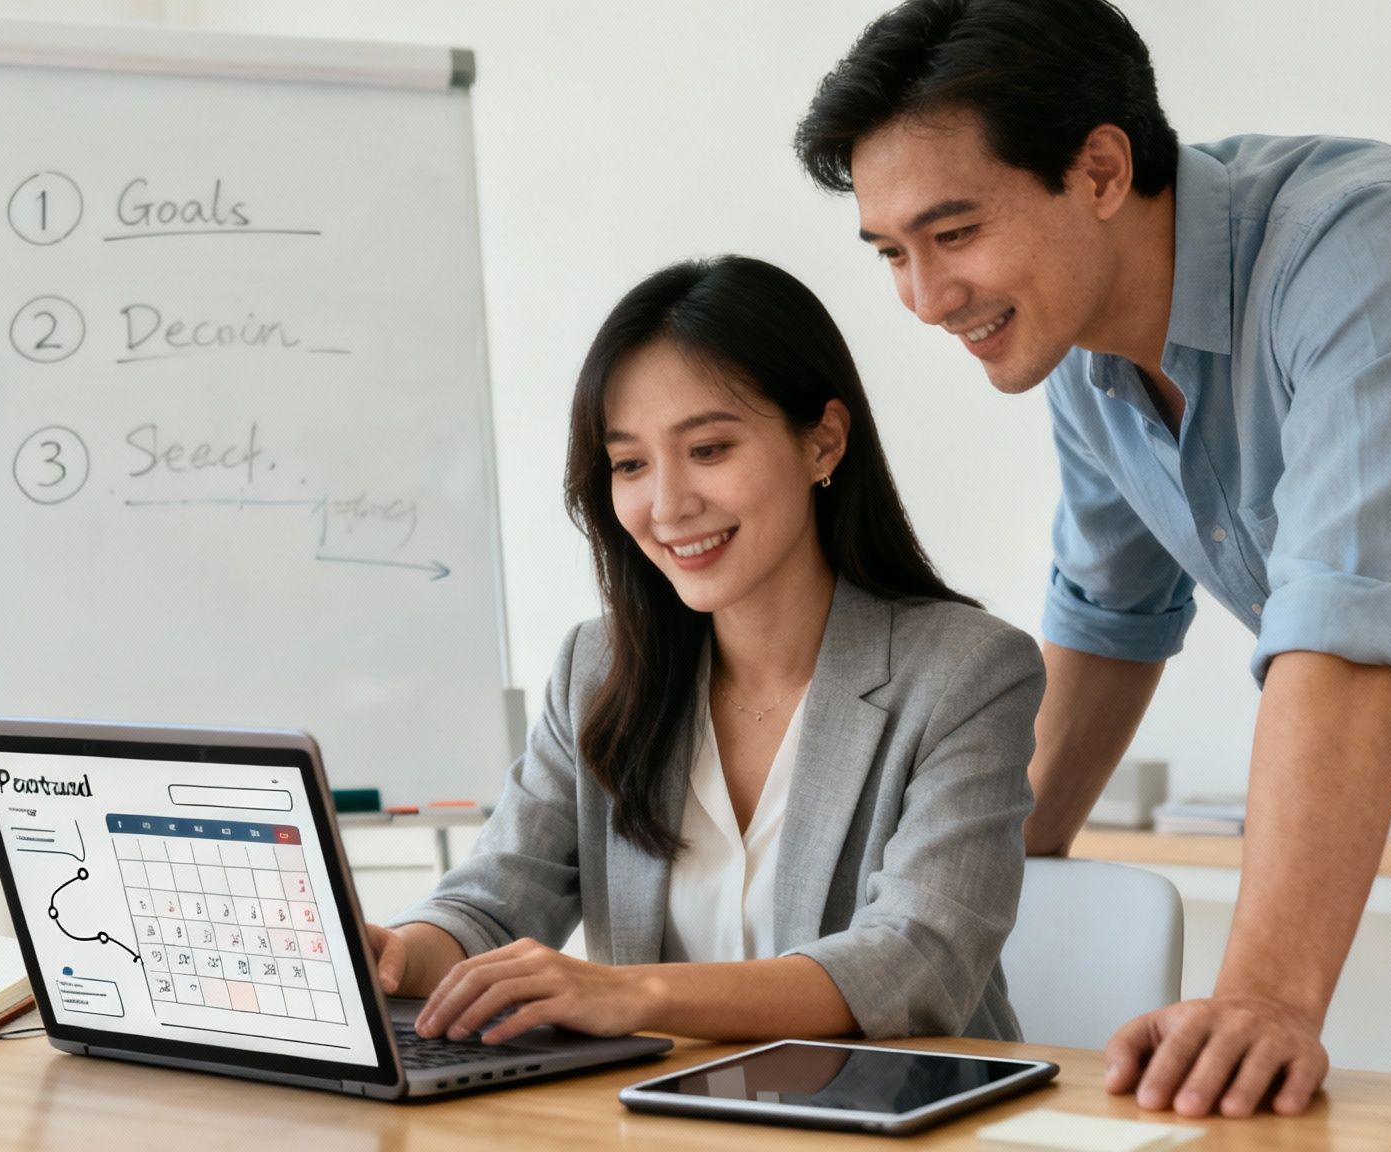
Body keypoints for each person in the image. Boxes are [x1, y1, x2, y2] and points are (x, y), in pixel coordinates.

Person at [794, 0, 1391, 1116]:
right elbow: (1104, 623)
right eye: (892, 253)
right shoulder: (1086, 360)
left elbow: (1350, 627)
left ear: (1101, 169)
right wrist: (944, 900)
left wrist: (1263, 996)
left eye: (955, 233)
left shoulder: (1368, 246)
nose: (923, 300)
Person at [366, 255, 1044, 1048]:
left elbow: (913, 962)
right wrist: (395, 956)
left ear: (823, 442)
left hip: (898, 1119)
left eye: (710, 449)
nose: (667, 505)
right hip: (660, 1121)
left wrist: (630, 994)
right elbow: (493, 904)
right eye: (629, 464)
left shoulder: (966, 672)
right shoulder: (597, 670)